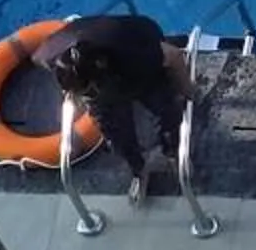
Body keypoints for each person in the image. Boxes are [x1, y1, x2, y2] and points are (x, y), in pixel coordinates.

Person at [33, 13, 195, 204]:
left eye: (91, 90)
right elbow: (36, 58)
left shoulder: (130, 53)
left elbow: (173, 56)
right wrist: (75, 94)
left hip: (138, 45)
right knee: (115, 133)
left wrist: (189, 90)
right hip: (98, 66)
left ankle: (174, 153)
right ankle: (139, 170)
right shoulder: (50, 55)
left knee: (166, 110)